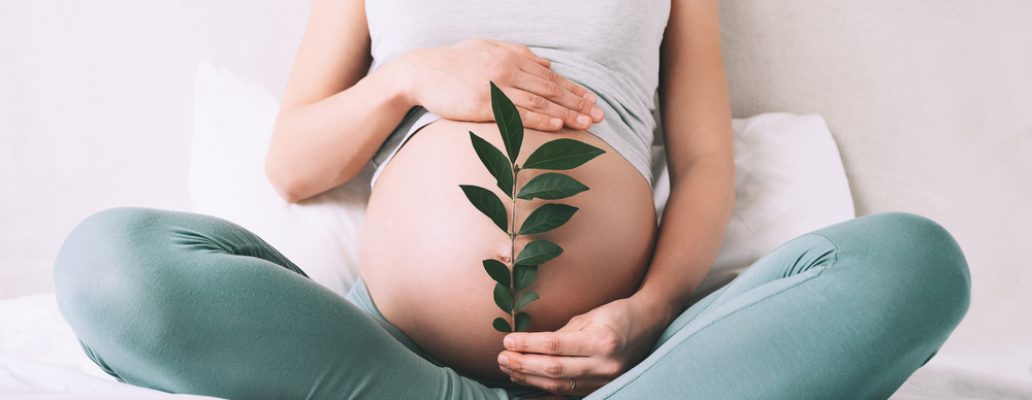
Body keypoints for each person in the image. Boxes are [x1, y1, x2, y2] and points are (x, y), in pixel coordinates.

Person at [53, 0, 971, 399]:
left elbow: (701, 163)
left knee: (916, 264)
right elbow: (293, 164)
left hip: (637, 357)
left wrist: (647, 314)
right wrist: (409, 79)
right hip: (389, 354)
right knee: (108, 265)